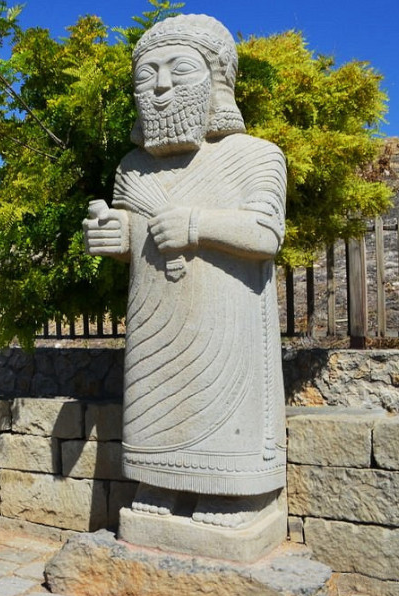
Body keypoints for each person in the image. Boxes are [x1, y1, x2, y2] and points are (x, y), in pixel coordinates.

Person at [83, 14, 287, 529]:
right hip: (155, 319)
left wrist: (197, 225)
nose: (161, 86)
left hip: (227, 316)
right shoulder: (132, 167)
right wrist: (115, 234)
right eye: (146, 75)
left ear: (217, 81)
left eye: (179, 69)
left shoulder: (255, 157)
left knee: (226, 400)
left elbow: (266, 234)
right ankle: (161, 483)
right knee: (154, 402)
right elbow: (136, 232)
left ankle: (229, 493)